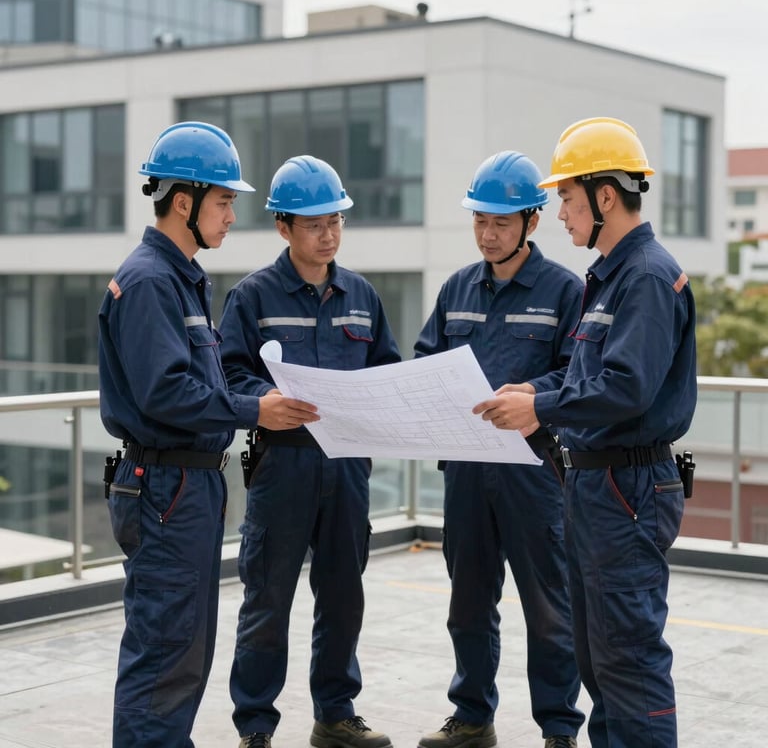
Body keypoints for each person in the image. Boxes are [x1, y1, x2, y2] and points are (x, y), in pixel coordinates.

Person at [473, 118, 697, 748]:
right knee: (599, 656)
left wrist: (543, 410)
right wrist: (536, 394)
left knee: (627, 654)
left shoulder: (647, 277)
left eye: (568, 199)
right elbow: (586, 375)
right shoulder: (611, 275)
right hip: (597, 484)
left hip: (627, 486)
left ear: (604, 196)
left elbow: (627, 387)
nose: (562, 213)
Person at [98, 121, 319, 748]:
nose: (231, 215)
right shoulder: (149, 282)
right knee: (166, 648)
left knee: (183, 647)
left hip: (185, 484)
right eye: (224, 201)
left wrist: (249, 403)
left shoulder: (181, 277)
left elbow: (200, 381)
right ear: (184, 201)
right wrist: (255, 412)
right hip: (166, 484)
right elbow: (166, 391)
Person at [218, 155, 401, 748]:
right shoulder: (253, 297)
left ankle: (336, 713)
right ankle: (255, 725)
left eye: (337, 222)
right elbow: (227, 377)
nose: (329, 235)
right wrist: (263, 400)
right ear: (283, 228)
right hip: (283, 465)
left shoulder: (362, 296)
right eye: (315, 225)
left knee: (344, 593)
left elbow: (387, 369)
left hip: (347, 466)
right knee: (268, 597)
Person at [414, 151, 585, 748]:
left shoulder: (565, 291)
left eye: (502, 223)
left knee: (549, 607)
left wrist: (533, 395)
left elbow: (577, 376)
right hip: (464, 471)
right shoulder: (457, 287)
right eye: (480, 221)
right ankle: (471, 717)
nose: (488, 234)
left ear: (532, 223)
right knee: (468, 603)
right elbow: (426, 358)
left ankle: (560, 728)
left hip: (533, 473)